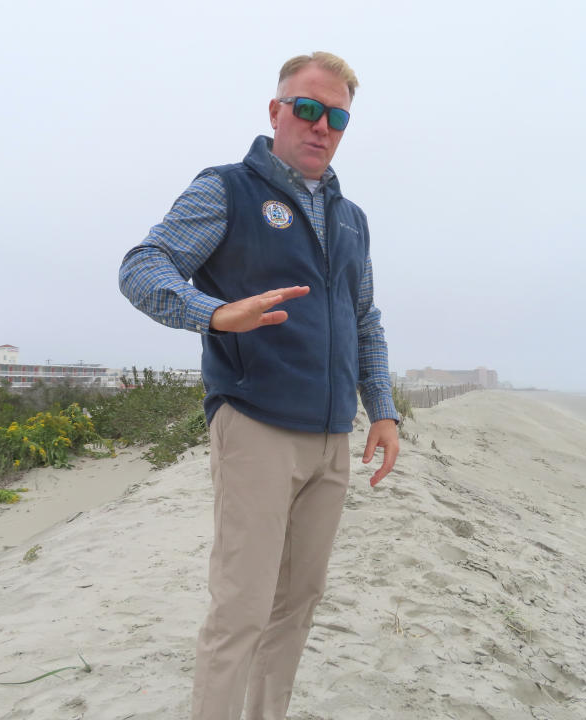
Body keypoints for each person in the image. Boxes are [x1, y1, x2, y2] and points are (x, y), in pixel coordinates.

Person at [118, 51, 399, 720]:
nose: (320, 126)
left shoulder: (353, 217)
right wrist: (211, 312)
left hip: (331, 436)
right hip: (256, 424)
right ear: (276, 111)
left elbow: (365, 320)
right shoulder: (228, 189)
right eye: (307, 109)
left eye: (336, 116)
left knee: (298, 602)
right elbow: (143, 266)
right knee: (241, 605)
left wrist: (381, 410)